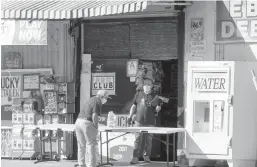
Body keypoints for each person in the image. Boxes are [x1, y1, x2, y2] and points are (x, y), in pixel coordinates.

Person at [128, 81, 162, 164]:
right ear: (143, 87)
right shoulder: (138, 94)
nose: (146, 87)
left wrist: (158, 107)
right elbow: (133, 106)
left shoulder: (156, 96)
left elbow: (158, 108)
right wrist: (130, 116)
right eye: (145, 86)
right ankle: (135, 157)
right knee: (137, 139)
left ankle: (146, 156)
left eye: (148, 86)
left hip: (150, 121)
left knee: (148, 140)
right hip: (138, 121)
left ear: (151, 87)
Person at [75, 90, 111, 167]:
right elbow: (94, 116)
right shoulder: (98, 101)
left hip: (78, 122)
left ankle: (81, 164)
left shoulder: (91, 99)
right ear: (102, 96)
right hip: (87, 123)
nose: (106, 100)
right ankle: (92, 165)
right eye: (106, 97)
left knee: (81, 145)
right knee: (91, 144)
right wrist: (96, 127)